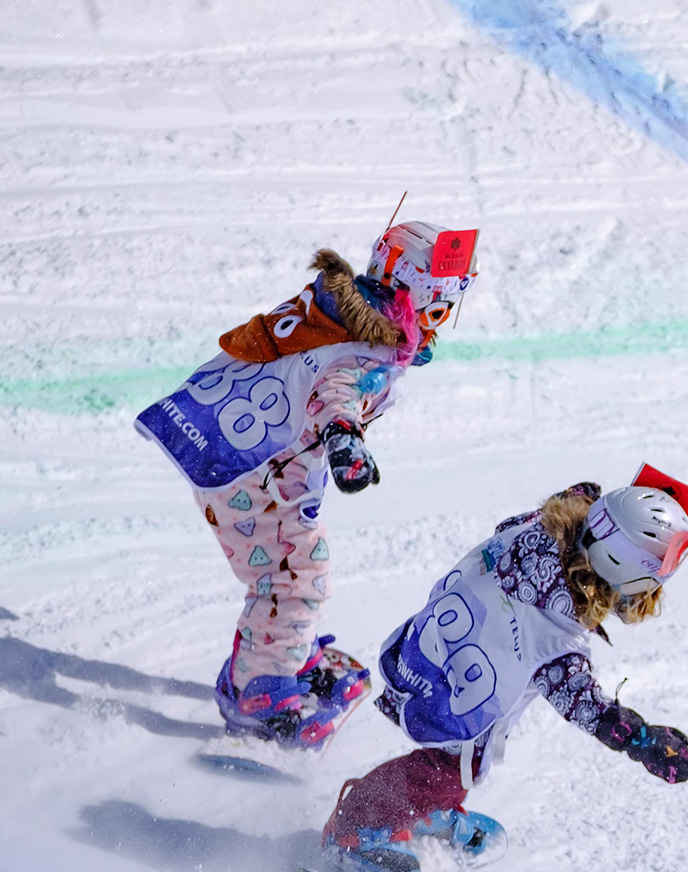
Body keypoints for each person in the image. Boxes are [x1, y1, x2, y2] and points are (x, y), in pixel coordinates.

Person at [135, 220, 479, 747]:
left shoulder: (334, 312)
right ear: (410, 294)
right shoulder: (363, 349)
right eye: (436, 312)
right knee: (294, 577)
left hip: (243, 457)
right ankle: (258, 695)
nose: (437, 327)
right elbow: (338, 394)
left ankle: (284, 649)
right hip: (255, 479)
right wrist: (345, 442)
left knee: (293, 568)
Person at [322, 468, 688, 872]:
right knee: (450, 769)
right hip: (454, 688)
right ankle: (354, 829)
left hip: (429, 644)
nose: (643, 600)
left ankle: (421, 808)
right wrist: (642, 740)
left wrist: (617, 503)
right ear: (621, 573)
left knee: (458, 767)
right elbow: (584, 703)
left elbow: (579, 496)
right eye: (645, 587)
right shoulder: (554, 632)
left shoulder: (542, 526)